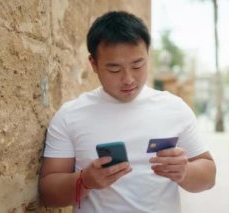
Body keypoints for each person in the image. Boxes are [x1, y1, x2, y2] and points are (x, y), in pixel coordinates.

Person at [39, 11, 216, 213]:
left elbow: (209, 177)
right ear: (93, 64)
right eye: (114, 69)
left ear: (148, 55)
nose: (128, 79)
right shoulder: (70, 115)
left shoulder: (174, 108)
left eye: (137, 65)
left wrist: (186, 171)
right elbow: (48, 193)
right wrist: (86, 181)